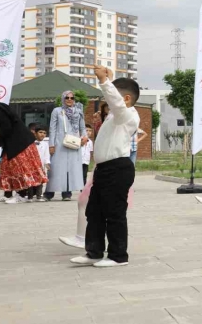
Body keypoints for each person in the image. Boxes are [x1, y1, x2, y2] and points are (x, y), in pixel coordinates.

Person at [70, 65, 139, 268]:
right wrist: (111, 79)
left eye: (115, 95)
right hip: (103, 169)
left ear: (125, 99)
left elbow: (117, 103)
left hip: (117, 168)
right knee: (95, 212)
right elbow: (117, 101)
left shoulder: (128, 115)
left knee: (114, 213)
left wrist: (104, 81)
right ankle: (94, 252)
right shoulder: (115, 115)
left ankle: (118, 256)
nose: (109, 101)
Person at [0, 90, 48, 206]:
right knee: (6, 168)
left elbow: (6, 127)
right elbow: (4, 131)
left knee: (19, 169)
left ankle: (22, 195)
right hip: (12, 143)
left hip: (20, 144)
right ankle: (7, 195)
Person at [46, 91, 87, 201]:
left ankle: (67, 194)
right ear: (63, 99)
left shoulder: (78, 111)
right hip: (59, 143)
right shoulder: (57, 111)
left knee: (71, 168)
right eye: (67, 97)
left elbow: (82, 128)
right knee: (56, 168)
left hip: (74, 142)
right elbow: (52, 128)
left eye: (72, 98)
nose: (69, 99)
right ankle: (49, 193)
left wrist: (84, 137)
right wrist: (51, 144)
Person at [31, 125, 51, 201]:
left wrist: (47, 163)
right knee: (31, 180)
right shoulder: (30, 143)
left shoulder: (45, 144)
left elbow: (46, 155)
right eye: (40, 132)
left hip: (41, 166)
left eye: (44, 133)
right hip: (31, 165)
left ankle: (39, 196)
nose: (42, 134)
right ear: (35, 133)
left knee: (40, 181)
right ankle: (30, 195)